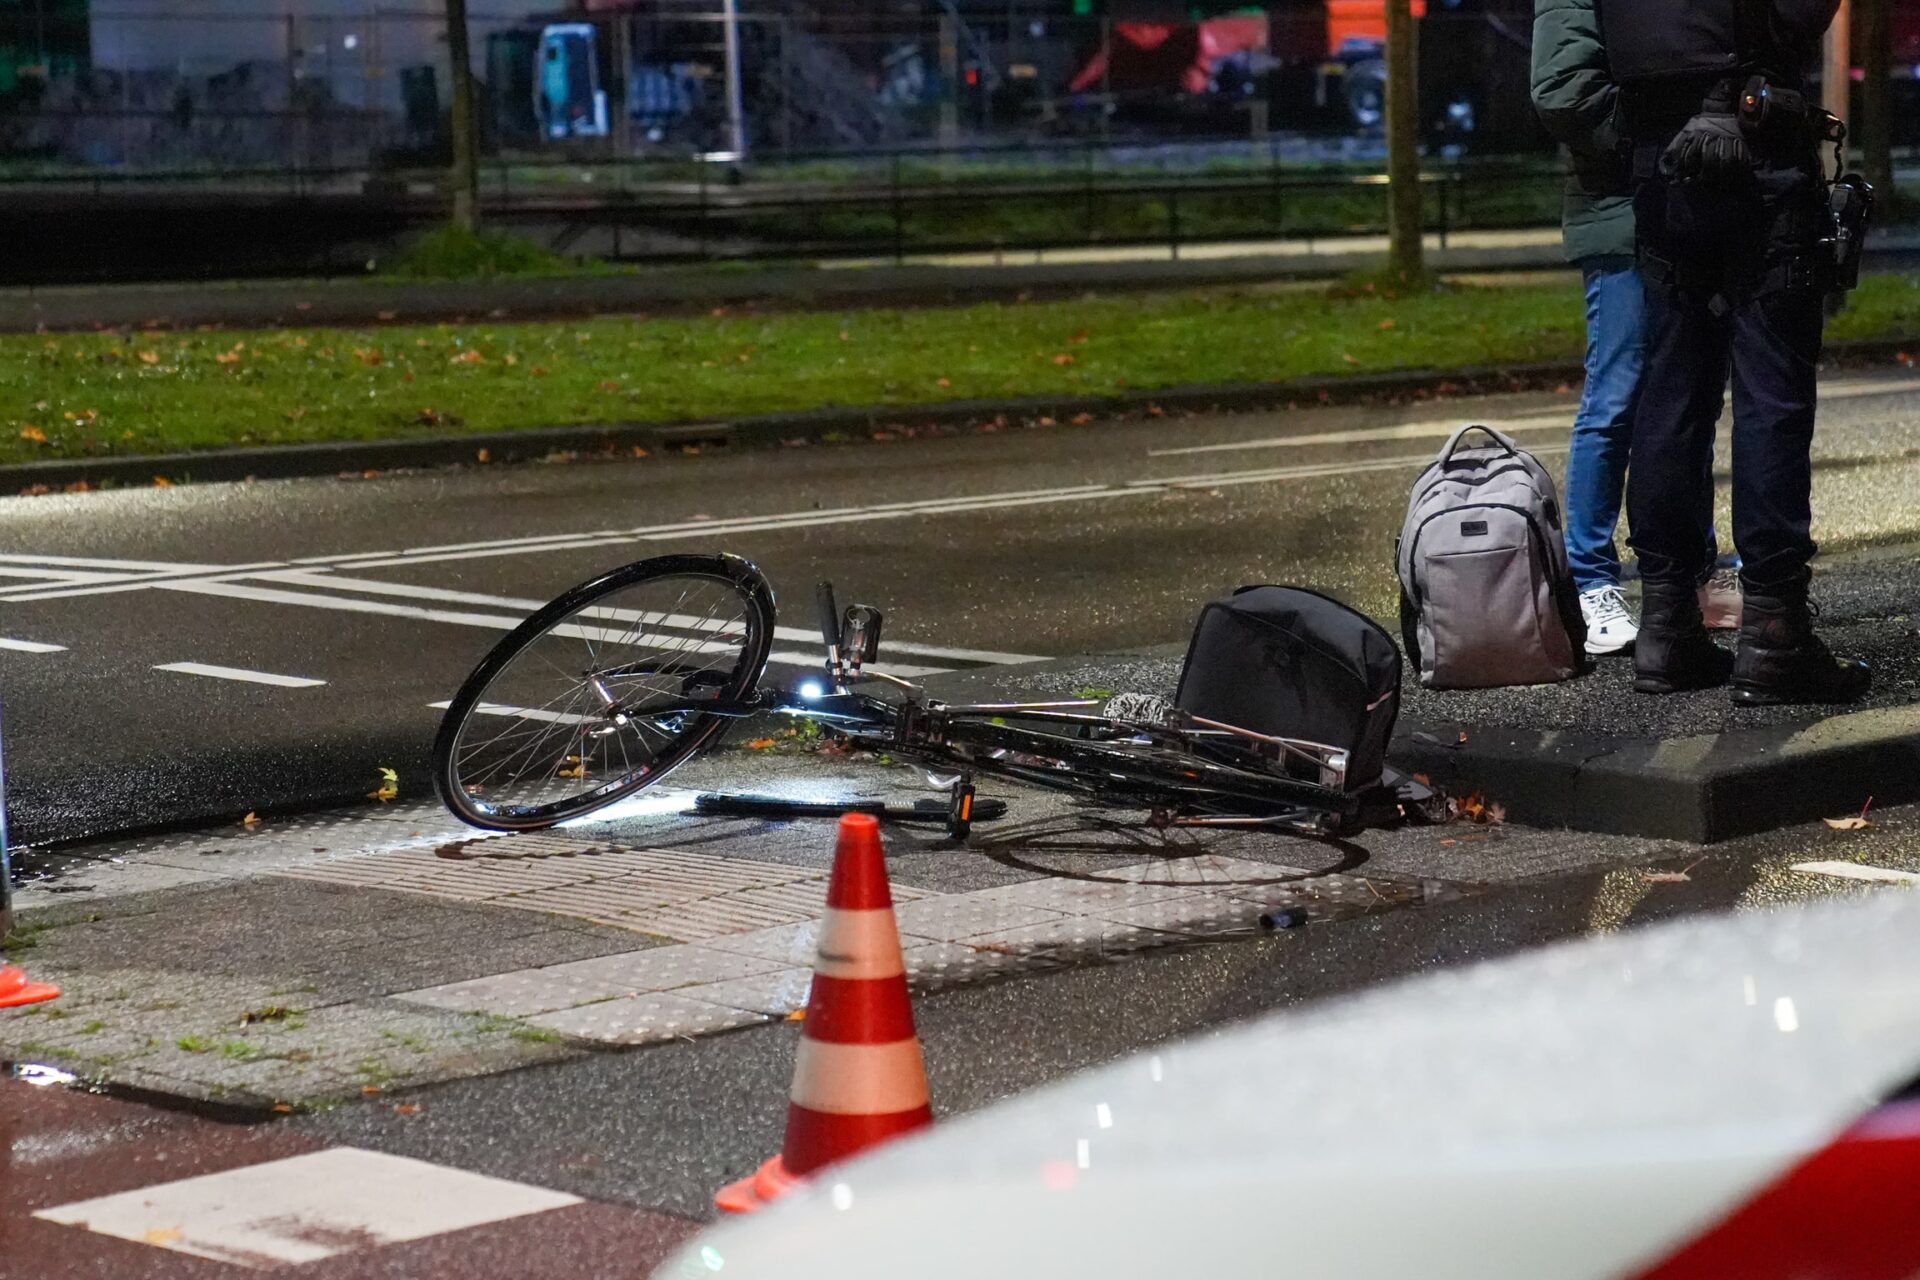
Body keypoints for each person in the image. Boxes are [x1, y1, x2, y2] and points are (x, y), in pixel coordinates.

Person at [1597, 0, 1869, 703]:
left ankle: (1667, 627)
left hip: (1661, 168)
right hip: (1758, 160)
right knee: (1770, 398)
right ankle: (1774, 633)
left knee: (1672, 394)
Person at [1529, 0, 1743, 658]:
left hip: (1672, 192)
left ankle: (1690, 565)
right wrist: (1654, 137)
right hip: (1623, 206)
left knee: (1684, 394)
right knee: (1618, 393)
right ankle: (1590, 578)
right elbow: (1562, 89)